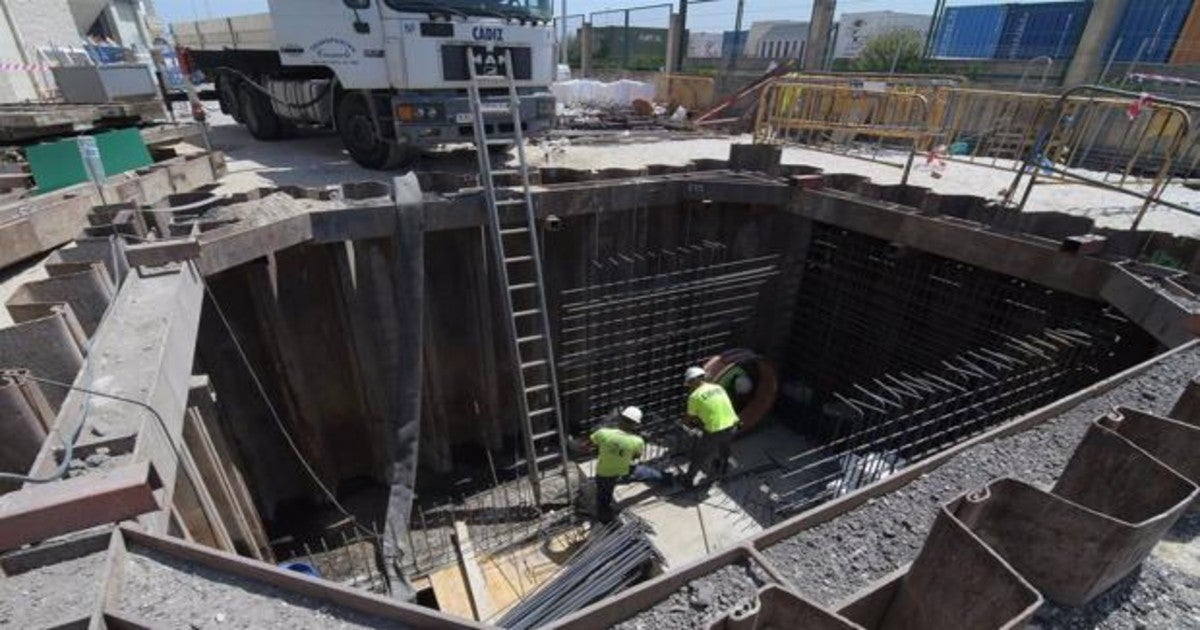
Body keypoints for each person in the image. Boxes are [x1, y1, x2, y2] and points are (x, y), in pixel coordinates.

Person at [681, 366, 740, 488]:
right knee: (725, 447)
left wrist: (685, 422)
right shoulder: (718, 387)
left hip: (715, 431)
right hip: (733, 425)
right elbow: (715, 407)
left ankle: (688, 480)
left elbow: (689, 418)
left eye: (689, 383)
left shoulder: (694, 397)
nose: (689, 386)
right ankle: (722, 469)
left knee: (700, 455)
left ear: (694, 380)